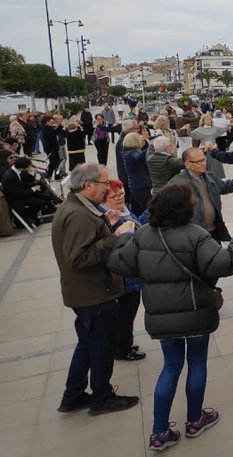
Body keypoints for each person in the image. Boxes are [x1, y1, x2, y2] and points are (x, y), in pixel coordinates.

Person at [108, 184, 233, 452]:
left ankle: (160, 432)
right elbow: (226, 263)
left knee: (171, 366)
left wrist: (122, 237)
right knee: (197, 362)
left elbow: (119, 264)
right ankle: (194, 419)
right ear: (184, 209)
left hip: (162, 319)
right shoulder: (196, 235)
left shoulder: (143, 236)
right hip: (195, 315)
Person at [51, 163, 139, 416]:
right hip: (94, 294)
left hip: (86, 292)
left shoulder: (78, 206)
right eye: (104, 183)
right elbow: (78, 259)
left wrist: (106, 224)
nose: (108, 188)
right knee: (102, 345)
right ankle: (102, 397)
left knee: (87, 344)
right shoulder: (78, 214)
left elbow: (87, 240)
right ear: (88, 185)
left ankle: (73, 395)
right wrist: (115, 236)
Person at [169, 147, 233, 243]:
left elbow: (226, 186)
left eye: (204, 159)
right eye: (198, 162)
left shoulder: (209, 177)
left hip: (214, 231)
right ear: (187, 164)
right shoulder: (177, 184)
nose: (203, 163)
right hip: (193, 235)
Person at [100, 180, 147, 362]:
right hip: (124, 278)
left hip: (132, 275)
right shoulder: (109, 218)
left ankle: (124, 343)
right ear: (104, 199)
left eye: (121, 194)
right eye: (114, 196)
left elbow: (138, 225)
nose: (119, 198)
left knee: (128, 314)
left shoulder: (125, 211)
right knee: (125, 315)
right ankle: (123, 349)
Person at [1, 156, 60, 225]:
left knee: (41, 191)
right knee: (40, 202)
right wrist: (33, 189)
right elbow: (18, 193)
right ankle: (28, 217)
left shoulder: (16, 170)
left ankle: (53, 202)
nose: (29, 168)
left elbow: (25, 183)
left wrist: (33, 187)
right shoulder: (10, 177)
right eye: (28, 167)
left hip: (20, 194)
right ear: (23, 168)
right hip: (16, 200)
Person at [189, 114, 229, 178]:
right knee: (206, 166)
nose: (209, 121)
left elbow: (223, 129)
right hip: (204, 150)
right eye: (207, 119)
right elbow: (192, 134)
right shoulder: (199, 129)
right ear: (203, 121)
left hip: (214, 149)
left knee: (216, 166)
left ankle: (217, 180)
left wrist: (229, 123)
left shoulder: (214, 128)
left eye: (210, 119)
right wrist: (188, 129)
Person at [121, 133, 152, 215]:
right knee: (148, 208)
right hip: (142, 185)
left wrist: (146, 146)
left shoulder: (126, 152)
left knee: (136, 210)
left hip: (135, 185)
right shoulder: (131, 153)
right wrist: (151, 146)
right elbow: (139, 157)